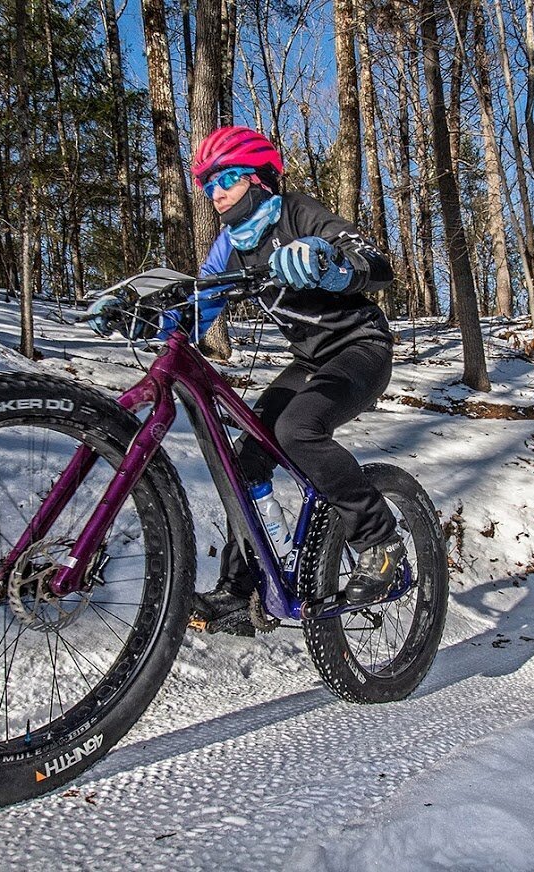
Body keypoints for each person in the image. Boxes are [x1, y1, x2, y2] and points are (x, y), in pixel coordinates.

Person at [92, 125, 401, 633]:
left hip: (361, 349)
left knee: (297, 429)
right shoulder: (229, 248)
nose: (214, 194)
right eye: (208, 185)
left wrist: (327, 262)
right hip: (309, 360)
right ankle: (240, 590)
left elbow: (374, 264)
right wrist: (138, 318)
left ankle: (379, 541)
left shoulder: (298, 212)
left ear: (258, 178)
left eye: (225, 180)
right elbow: (195, 307)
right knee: (245, 460)